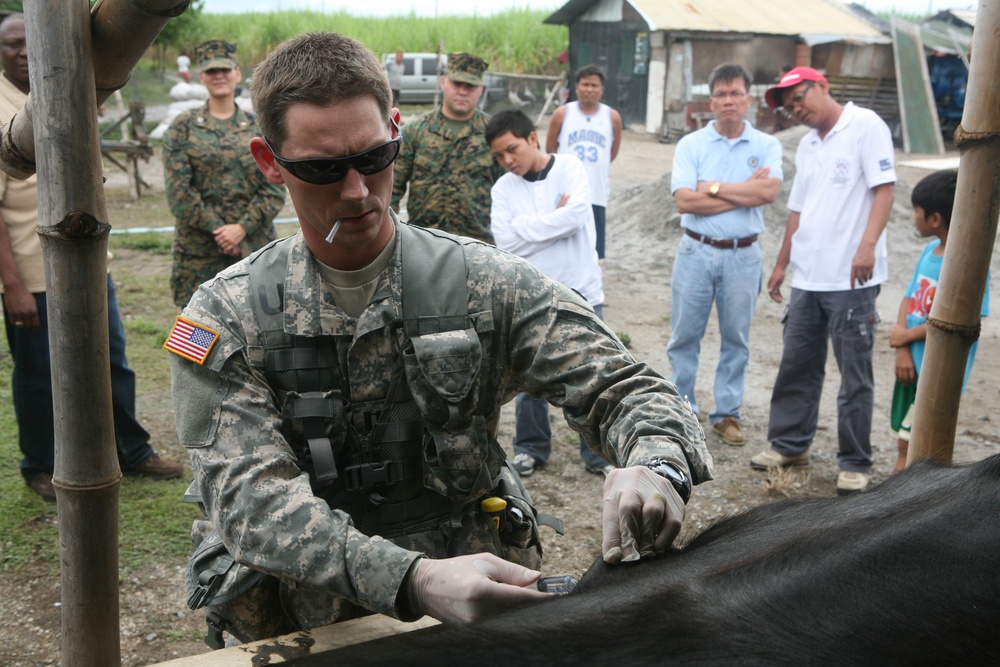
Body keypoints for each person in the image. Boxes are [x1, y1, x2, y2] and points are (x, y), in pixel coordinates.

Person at [168, 31, 712, 646]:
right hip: (299, 618)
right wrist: (415, 581)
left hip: (479, 593)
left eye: (374, 158)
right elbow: (250, 501)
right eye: (322, 169)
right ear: (270, 162)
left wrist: (658, 464)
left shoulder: (484, 282)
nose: (356, 190)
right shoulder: (228, 316)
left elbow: (622, 384)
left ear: (397, 130)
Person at [0, 14, 182, 502]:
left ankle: (130, 448)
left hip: (87, 261)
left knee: (113, 360)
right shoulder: (1, 107)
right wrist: (11, 286)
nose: (22, 51)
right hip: (33, 274)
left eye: (28, 42)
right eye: (12, 43)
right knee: (40, 374)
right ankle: (40, 462)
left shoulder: (69, 87)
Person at [754, 67, 896, 495]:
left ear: (821, 86)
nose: (797, 109)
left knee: (854, 372)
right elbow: (798, 210)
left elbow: (884, 189)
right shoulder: (809, 145)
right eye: (790, 105)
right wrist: (782, 265)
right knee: (797, 364)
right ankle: (790, 444)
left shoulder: (865, 126)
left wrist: (867, 246)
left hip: (851, 277)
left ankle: (854, 460)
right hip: (808, 278)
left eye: (800, 97)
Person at [486, 109, 613, 477]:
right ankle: (531, 447)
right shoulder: (503, 188)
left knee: (592, 375)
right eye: (499, 156)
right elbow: (506, 242)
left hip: (582, 290)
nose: (508, 161)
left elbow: (575, 217)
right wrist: (548, 225)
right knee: (528, 379)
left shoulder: (570, 168)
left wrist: (525, 227)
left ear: (533, 138)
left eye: (512, 149)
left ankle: (597, 453)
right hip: (532, 295)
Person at [666, 64, 783, 447]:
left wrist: (712, 188)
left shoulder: (767, 145)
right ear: (711, 99)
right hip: (696, 250)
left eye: (736, 93)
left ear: (748, 98)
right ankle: (683, 409)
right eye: (721, 93)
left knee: (737, 338)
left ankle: (727, 413)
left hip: (743, 255)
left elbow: (767, 194)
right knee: (685, 336)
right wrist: (741, 190)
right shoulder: (691, 145)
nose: (728, 100)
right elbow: (685, 201)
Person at [162, 39, 285, 308]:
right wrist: (221, 231)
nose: (219, 76)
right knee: (198, 340)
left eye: (225, 70)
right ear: (201, 76)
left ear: (237, 73)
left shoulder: (260, 127)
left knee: (262, 334)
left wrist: (242, 228)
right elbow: (179, 193)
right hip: (199, 255)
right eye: (211, 71)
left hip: (254, 250)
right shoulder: (182, 127)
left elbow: (275, 187)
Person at [888, 169, 989, 473]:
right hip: (911, 366)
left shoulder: (968, 264)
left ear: (934, 219)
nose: (912, 216)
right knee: (902, 440)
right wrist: (902, 347)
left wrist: (904, 338)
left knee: (915, 446)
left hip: (939, 374)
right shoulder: (928, 252)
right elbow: (908, 298)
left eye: (916, 210)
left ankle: (896, 507)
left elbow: (956, 323)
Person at [391, 52, 503, 243]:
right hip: (425, 245)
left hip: (479, 247)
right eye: (456, 84)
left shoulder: (494, 134)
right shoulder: (416, 131)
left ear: (481, 89)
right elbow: (392, 191)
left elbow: (511, 191)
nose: (462, 91)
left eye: (470, 86)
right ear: (443, 82)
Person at [545, 64, 623, 259]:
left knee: (592, 252)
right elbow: (550, 149)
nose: (589, 89)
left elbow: (611, 153)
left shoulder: (612, 117)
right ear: (577, 87)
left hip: (595, 193)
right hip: (566, 192)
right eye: (585, 84)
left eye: (594, 85)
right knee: (563, 247)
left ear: (602, 89)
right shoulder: (563, 113)